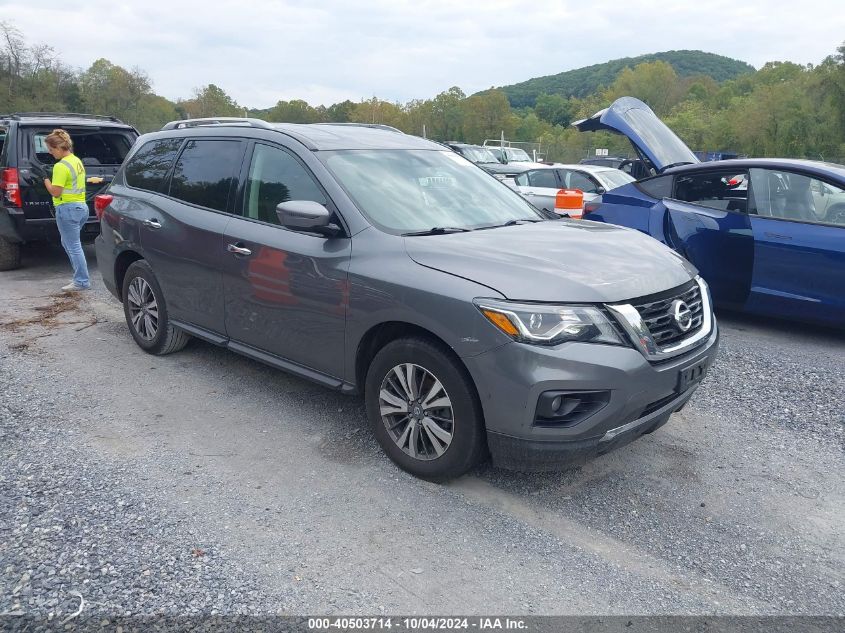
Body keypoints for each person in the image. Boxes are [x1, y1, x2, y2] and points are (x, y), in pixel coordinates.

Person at [40, 129, 90, 291]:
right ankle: (79, 276)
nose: (50, 153)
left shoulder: (60, 166)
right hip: (81, 208)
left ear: (59, 147)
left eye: (51, 149)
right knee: (68, 242)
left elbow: (55, 192)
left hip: (67, 209)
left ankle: (81, 281)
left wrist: (45, 179)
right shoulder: (76, 161)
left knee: (73, 245)